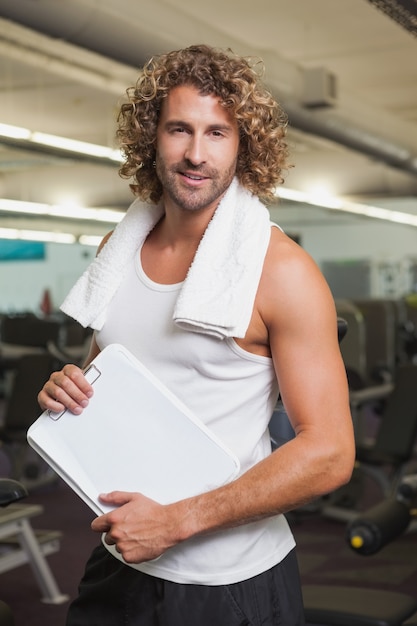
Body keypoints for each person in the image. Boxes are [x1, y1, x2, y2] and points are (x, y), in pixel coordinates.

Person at [38, 44, 355, 626]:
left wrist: (178, 520)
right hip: (121, 552)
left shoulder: (280, 271)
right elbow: (107, 378)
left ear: (243, 146)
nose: (194, 153)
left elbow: (330, 454)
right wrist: (70, 389)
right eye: (178, 129)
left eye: (217, 133)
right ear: (150, 138)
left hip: (226, 578)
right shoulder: (118, 249)